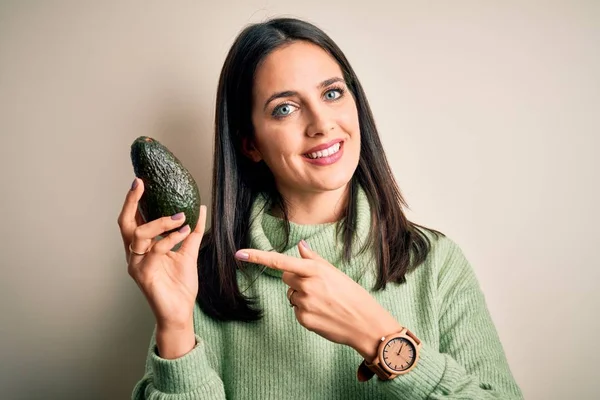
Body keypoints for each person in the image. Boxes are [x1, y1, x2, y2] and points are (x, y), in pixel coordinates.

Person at [118, 17, 524, 399]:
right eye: (285, 108)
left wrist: (379, 336)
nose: (321, 123)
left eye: (332, 93)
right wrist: (174, 326)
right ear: (251, 144)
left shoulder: (436, 264)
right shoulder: (203, 274)